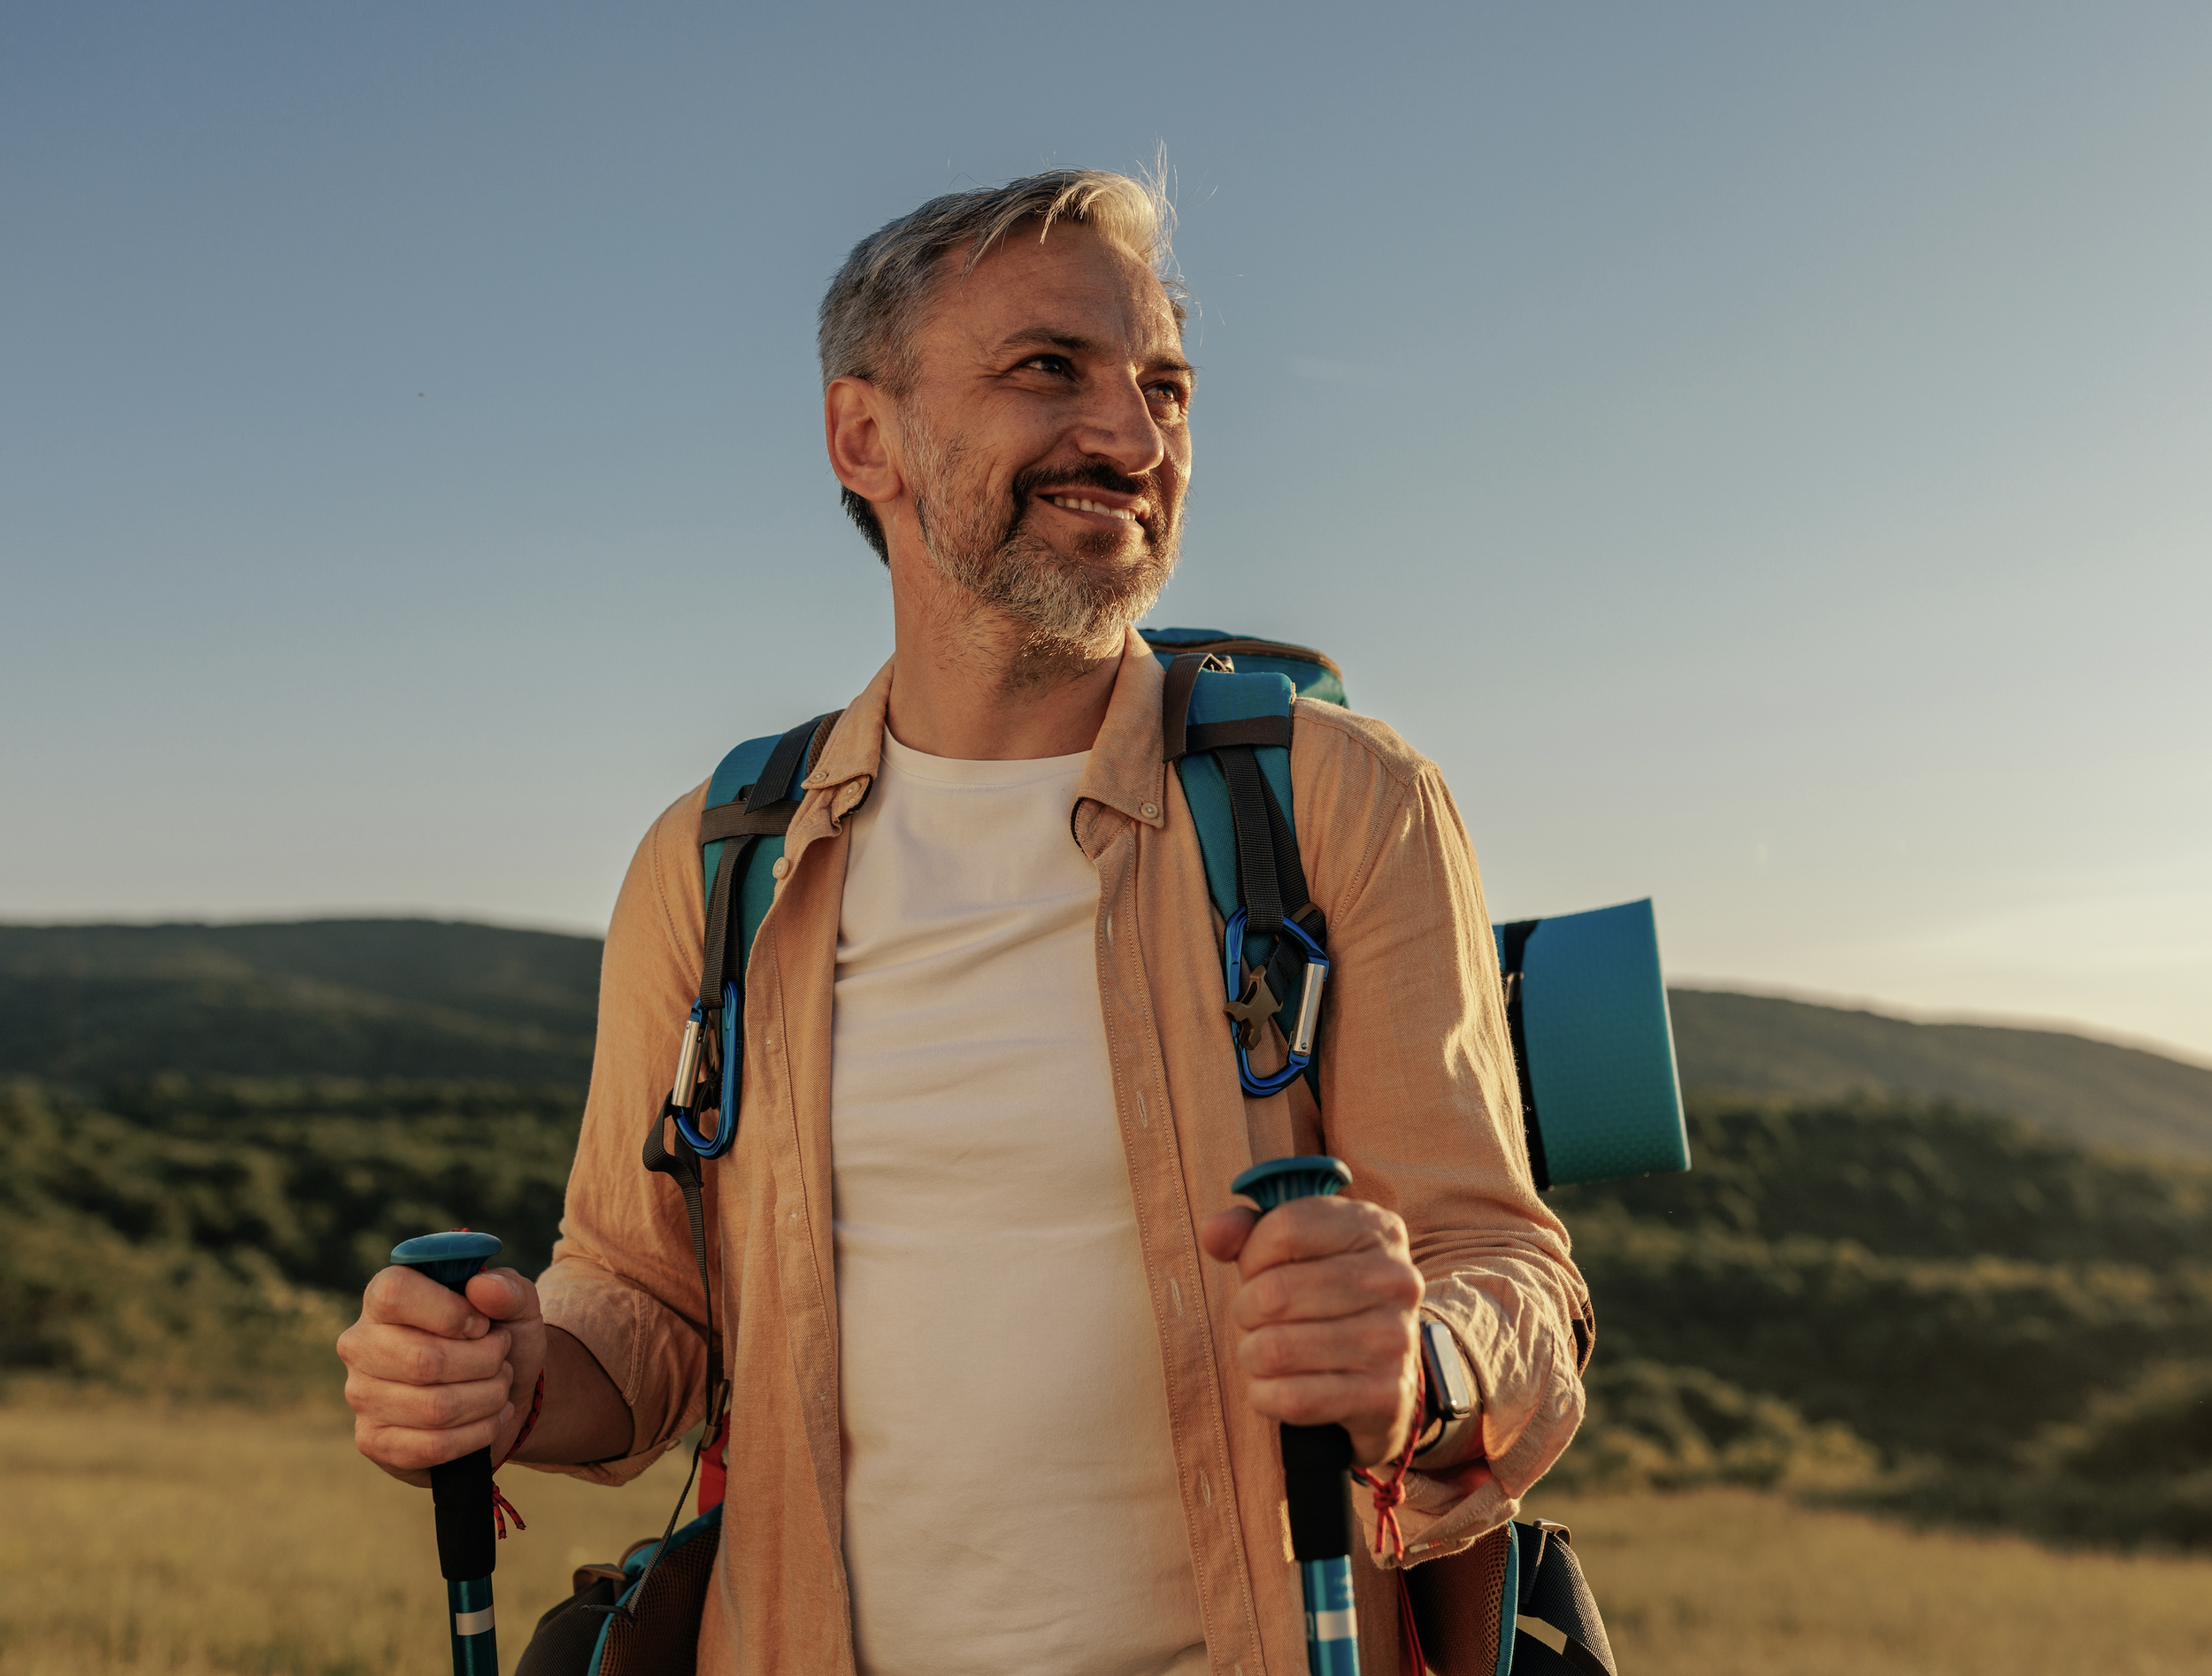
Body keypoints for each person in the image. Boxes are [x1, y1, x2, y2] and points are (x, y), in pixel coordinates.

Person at [337, 168, 1592, 1676]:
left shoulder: (1342, 802)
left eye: (1165, 389)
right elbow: (640, 1301)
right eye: (1048, 369)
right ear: (865, 436)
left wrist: (1420, 1357)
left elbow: (1506, 1272)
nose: (1133, 438)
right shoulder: (717, 861)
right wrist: (508, 1377)